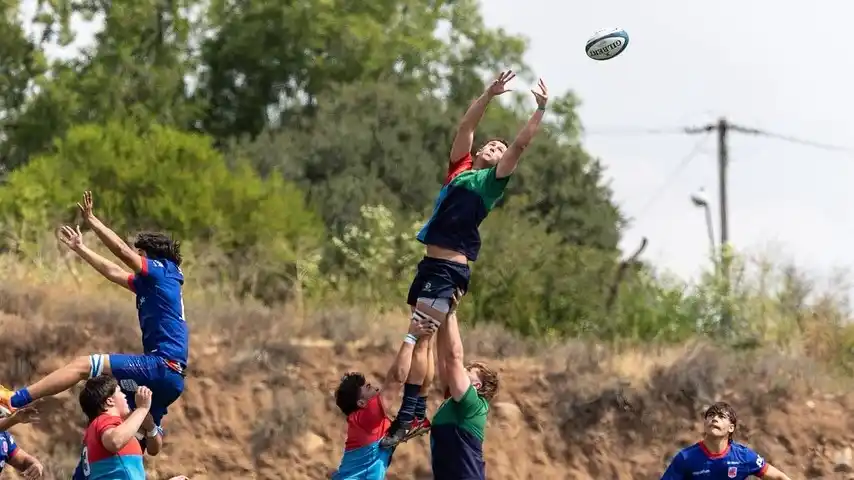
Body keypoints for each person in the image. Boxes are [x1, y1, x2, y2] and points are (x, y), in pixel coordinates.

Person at [382, 71, 548, 446]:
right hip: (430, 265)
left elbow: (520, 145)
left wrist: (539, 110)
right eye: (491, 145)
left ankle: (408, 417)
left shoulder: (491, 183)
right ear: (477, 152)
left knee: (419, 339)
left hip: (449, 269)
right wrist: (488, 95)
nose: (496, 148)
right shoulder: (459, 170)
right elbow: (466, 126)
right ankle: (413, 414)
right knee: (424, 341)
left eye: (500, 149)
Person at [0, 191, 188, 438]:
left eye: (141, 255)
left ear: (151, 256)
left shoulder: (162, 271)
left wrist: (92, 221)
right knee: (139, 429)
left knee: (84, 365)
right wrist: (81, 248)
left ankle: (14, 399)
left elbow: (121, 251)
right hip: (172, 378)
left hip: (160, 365)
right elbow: (113, 271)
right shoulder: (153, 284)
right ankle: (142, 442)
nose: (138, 260)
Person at [331, 313, 440, 480]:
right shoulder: (366, 417)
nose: (375, 387)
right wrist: (411, 337)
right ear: (361, 403)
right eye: (367, 388)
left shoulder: (366, 422)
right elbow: (396, 378)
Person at [429, 290, 499, 480]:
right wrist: (441, 317)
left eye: (468, 370)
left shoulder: (472, 404)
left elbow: (454, 358)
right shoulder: (453, 400)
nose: (462, 370)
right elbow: (444, 359)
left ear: (476, 385)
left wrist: (451, 313)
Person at [660, 402, 792, 480]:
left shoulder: (743, 456)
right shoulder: (686, 458)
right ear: (705, 424)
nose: (714, 419)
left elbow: (778, 477)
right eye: (711, 415)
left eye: (721, 416)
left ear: (731, 428)